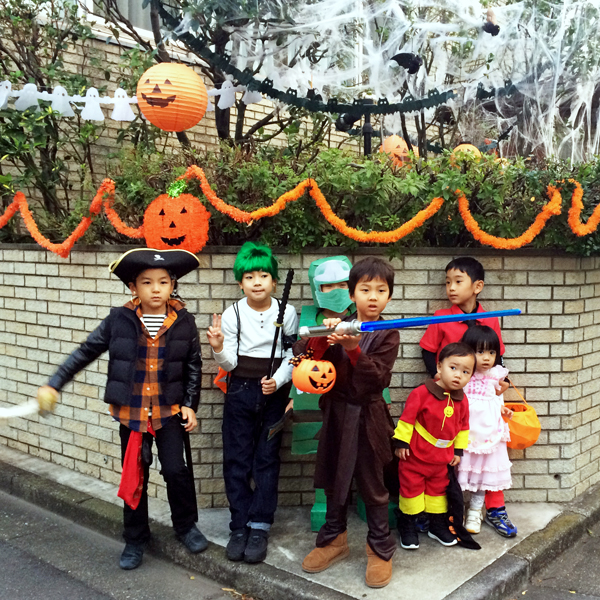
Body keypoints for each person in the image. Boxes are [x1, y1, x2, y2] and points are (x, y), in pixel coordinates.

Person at [36, 248, 206, 571]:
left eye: (163, 282)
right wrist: (55, 383)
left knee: (176, 471)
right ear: (133, 287)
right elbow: (85, 351)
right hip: (133, 414)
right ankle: (135, 538)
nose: (156, 289)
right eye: (147, 282)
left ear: (173, 285)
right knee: (134, 476)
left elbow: (193, 365)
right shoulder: (118, 320)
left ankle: (185, 526)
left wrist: (189, 404)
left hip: (168, 412)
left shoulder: (185, 321)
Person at [297, 257, 398, 589]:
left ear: (389, 296)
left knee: (373, 484)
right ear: (352, 294)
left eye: (380, 290)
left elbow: (377, 379)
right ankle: (334, 540)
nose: (373, 297)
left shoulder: (387, 333)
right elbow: (301, 358)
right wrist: (321, 340)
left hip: (368, 416)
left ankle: (380, 549)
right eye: (365, 290)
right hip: (337, 414)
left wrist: (354, 350)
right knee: (333, 479)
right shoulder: (339, 324)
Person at [206, 242, 298, 564]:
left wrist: (280, 380)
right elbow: (229, 363)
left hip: (274, 393)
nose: (257, 282)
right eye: (249, 277)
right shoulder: (233, 314)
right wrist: (218, 347)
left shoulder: (287, 312)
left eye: (263, 275)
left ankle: (259, 526)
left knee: (266, 459)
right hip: (240, 391)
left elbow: (292, 355)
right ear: (240, 282)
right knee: (237, 459)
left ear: (274, 281)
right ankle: (239, 525)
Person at [288, 256, 354, 531]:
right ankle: (325, 504)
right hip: (319, 397)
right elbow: (300, 356)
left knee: (362, 452)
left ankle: (369, 502)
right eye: (329, 286)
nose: (336, 291)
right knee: (323, 451)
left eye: (342, 285)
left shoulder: (361, 318)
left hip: (356, 397)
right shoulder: (308, 321)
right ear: (318, 289)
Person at [393, 342, 474, 550]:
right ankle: (407, 525)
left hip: (441, 460)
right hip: (415, 457)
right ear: (439, 366)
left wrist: (458, 450)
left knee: (438, 493)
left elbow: (463, 427)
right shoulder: (421, 393)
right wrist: (401, 442)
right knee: (411, 492)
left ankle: (436, 526)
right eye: (453, 368)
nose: (458, 375)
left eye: (465, 372)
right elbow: (407, 419)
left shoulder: (462, 400)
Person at [459, 325, 517, 538]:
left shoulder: (496, 376)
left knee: (483, 475)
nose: (486, 358)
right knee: (461, 472)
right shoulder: (462, 374)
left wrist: (504, 410)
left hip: (489, 435)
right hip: (466, 435)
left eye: (491, 352)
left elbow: (495, 401)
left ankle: (475, 512)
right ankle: (456, 511)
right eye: (480, 351)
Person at [420, 257, 505, 376]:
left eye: (458, 281)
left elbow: (498, 355)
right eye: (448, 282)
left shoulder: (491, 319)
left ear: (478, 286)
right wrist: (436, 375)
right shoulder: (441, 318)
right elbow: (428, 351)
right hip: (450, 382)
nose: (451, 288)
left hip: (482, 383)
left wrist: (503, 378)